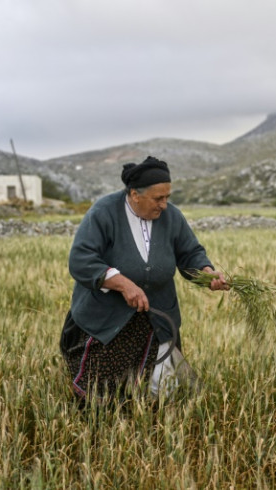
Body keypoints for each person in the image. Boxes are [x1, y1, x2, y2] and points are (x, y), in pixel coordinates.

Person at [60, 156, 228, 402]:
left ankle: (151, 431)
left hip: (156, 318)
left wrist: (206, 274)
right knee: (100, 396)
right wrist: (124, 284)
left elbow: (190, 253)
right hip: (108, 318)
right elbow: (81, 259)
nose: (164, 205)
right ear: (135, 195)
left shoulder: (171, 217)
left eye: (167, 197)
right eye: (158, 198)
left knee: (159, 392)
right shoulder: (104, 212)